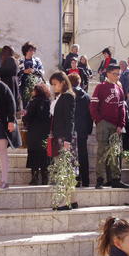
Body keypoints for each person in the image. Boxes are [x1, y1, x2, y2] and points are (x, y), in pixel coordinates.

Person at [90, 64, 129, 189]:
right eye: (115, 74)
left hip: (116, 125)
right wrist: (99, 121)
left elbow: (122, 108)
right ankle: (100, 179)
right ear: (107, 73)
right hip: (104, 123)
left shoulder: (119, 88)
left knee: (115, 152)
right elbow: (93, 107)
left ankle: (116, 179)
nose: (117, 76)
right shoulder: (100, 87)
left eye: (119, 74)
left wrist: (121, 124)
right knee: (102, 152)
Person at [49, 71, 77, 210]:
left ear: (63, 83)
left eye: (55, 84)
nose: (54, 87)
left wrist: (67, 139)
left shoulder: (67, 97)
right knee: (65, 169)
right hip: (59, 136)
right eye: (52, 84)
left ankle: (66, 202)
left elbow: (70, 119)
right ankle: (73, 200)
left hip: (64, 137)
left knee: (64, 169)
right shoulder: (60, 97)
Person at [22, 83, 51, 185]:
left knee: (33, 154)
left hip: (34, 132)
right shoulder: (48, 102)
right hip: (45, 132)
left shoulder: (33, 102)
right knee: (44, 154)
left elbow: (28, 117)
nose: (32, 92)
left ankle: (34, 178)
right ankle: (45, 177)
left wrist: (24, 118)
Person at [69, 73, 93, 187]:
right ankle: (86, 180)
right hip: (83, 129)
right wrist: (88, 129)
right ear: (79, 82)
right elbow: (90, 115)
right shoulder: (87, 96)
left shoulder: (67, 95)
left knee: (73, 155)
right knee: (83, 154)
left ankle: (76, 180)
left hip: (71, 129)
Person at [18, 41, 45, 109]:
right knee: (26, 104)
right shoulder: (21, 61)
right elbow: (17, 73)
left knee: (37, 103)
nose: (32, 52)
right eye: (30, 50)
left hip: (36, 85)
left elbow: (42, 72)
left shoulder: (37, 60)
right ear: (26, 51)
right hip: (24, 87)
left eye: (33, 50)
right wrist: (24, 71)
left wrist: (34, 71)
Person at [0, 45, 22, 112]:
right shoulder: (12, 60)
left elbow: (6, 72)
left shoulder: (10, 60)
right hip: (11, 83)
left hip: (9, 83)